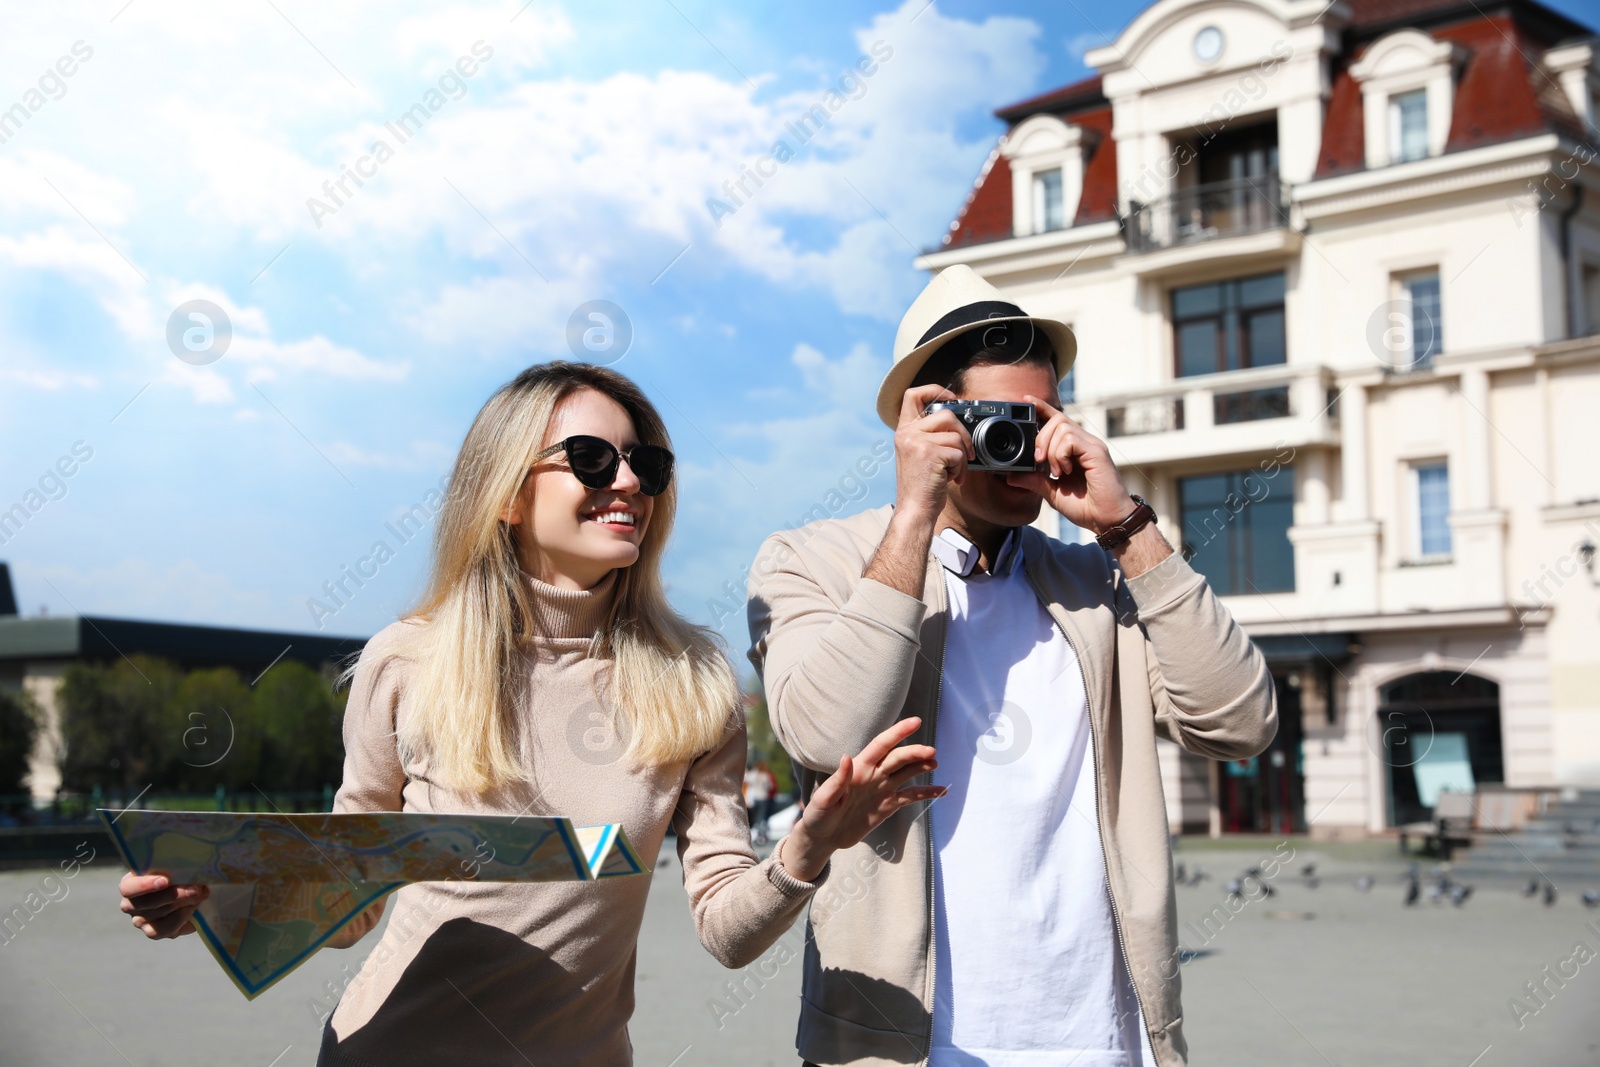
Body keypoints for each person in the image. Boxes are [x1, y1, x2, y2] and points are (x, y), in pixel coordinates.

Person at [116, 361, 945, 1066]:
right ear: (508, 493)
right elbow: (351, 901)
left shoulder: (695, 680)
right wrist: (211, 893)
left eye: (645, 465)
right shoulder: (407, 659)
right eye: (590, 458)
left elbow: (727, 933)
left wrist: (807, 846)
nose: (627, 482)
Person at [746, 265, 1277, 1067]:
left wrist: (1129, 528)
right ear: (925, 420)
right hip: (909, 1048)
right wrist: (916, 512)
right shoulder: (810, 562)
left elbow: (1240, 722)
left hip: (1103, 1040)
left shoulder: (1095, 583)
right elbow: (829, 737)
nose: (1019, 446)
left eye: (1039, 419)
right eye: (994, 420)